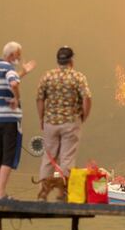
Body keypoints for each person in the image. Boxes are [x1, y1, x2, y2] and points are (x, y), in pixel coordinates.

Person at [35, 46, 92, 201]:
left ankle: (43, 193)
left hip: (50, 123)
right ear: (71, 61)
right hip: (71, 122)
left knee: (48, 158)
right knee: (67, 158)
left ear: (58, 60)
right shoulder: (78, 77)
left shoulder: (47, 77)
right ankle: (64, 194)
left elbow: (40, 98)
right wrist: (83, 117)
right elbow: (87, 98)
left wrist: (41, 118)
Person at [0, 41, 36, 199]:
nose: (20, 58)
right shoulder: (9, 69)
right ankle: (0, 194)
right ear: (12, 55)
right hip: (10, 119)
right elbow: (13, 83)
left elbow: (10, 80)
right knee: (8, 156)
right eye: (18, 55)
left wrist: (23, 72)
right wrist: (17, 98)